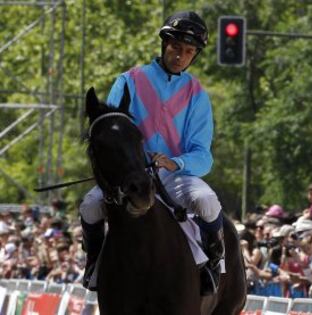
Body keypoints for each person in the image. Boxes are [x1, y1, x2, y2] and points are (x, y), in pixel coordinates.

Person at [79, 11, 224, 296]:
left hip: (175, 176)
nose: (180, 56)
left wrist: (176, 162)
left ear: (194, 55)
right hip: (131, 175)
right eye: (175, 47)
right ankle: (94, 261)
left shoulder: (197, 94)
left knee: (207, 201)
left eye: (188, 51)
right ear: (164, 44)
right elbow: (112, 133)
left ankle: (213, 264)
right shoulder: (129, 80)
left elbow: (203, 155)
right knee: (89, 205)